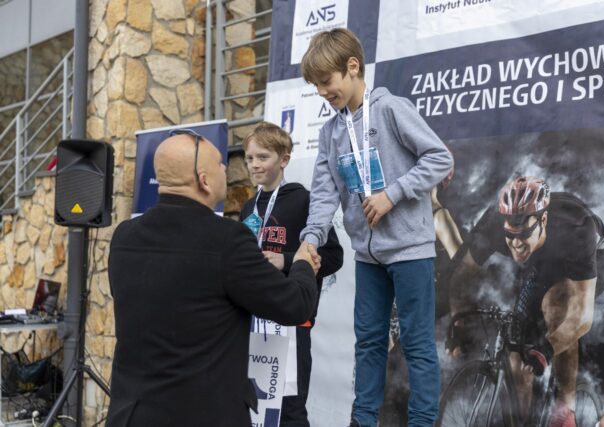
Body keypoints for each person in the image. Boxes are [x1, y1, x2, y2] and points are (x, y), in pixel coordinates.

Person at [106, 130, 321, 427]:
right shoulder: (226, 240)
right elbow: (294, 305)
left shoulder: (123, 237)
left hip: (133, 416)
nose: (227, 169)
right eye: (221, 163)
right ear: (204, 179)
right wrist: (301, 264)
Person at [299, 28, 454, 427]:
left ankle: (421, 422)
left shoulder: (389, 109)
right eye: (315, 85)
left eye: (325, 82)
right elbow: (323, 194)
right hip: (368, 256)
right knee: (368, 343)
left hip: (410, 250)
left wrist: (393, 194)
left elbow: (439, 157)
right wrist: (310, 240)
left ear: (352, 67)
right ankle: (362, 420)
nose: (321, 92)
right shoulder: (331, 131)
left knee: (417, 345)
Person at [447, 176, 604, 427]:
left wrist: (547, 350)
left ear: (543, 220)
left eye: (524, 233)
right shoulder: (493, 223)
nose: (516, 243)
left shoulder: (576, 227)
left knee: (558, 307)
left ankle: (565, 411)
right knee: (515, 346)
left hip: (598, 258)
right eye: (510, 235)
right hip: (543, 262)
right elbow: (461, 278)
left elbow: (583, 316)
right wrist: (457, 326)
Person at [239, 122, 344, 427]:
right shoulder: (248, 207)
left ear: (284, 159)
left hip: (291, 324)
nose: (255, 165)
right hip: (253, 322)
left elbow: (334, 256)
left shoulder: (304, 201)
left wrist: (286, 260)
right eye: (249, 158)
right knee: (254, 406)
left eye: (263, 157)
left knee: (290, 411)